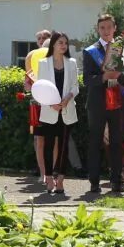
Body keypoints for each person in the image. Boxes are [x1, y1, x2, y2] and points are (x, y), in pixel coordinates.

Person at [79, 14, 124, 195]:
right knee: (95, 143)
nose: (106, 31)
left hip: (116, 101)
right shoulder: (90, 51)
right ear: (98, 29)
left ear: (114, 28)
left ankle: (117, 180)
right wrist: (104, 77)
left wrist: (120, 76)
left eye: (109, 27)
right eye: (102, 28)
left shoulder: (121, 50)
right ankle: (94, 182)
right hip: (97, 103)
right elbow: (87, 80)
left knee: (117, 142)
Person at [34, 31, 79, 195]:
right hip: (49, 110)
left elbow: (75, 86)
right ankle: (48, 178)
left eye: (65, 43)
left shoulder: (72, 63)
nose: (63, 46)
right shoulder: (43, 63)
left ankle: (60, 179)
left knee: (63, 146)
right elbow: (40, 87)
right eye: (60, 42)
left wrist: (67, 98)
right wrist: (50, 102)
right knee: (48, 144)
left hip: (66, 110)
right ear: (53, 44)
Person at [24, 30, 53, 179]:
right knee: (39, 139)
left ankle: (53, 171)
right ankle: (42, 172)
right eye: (39, 38)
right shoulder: (32, 58)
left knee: (54, 140)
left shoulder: (57, 59)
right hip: (38, 105)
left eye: (45, 38)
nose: (42, 40)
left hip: (54, 105)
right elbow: (26, 85)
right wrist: (32, 87)